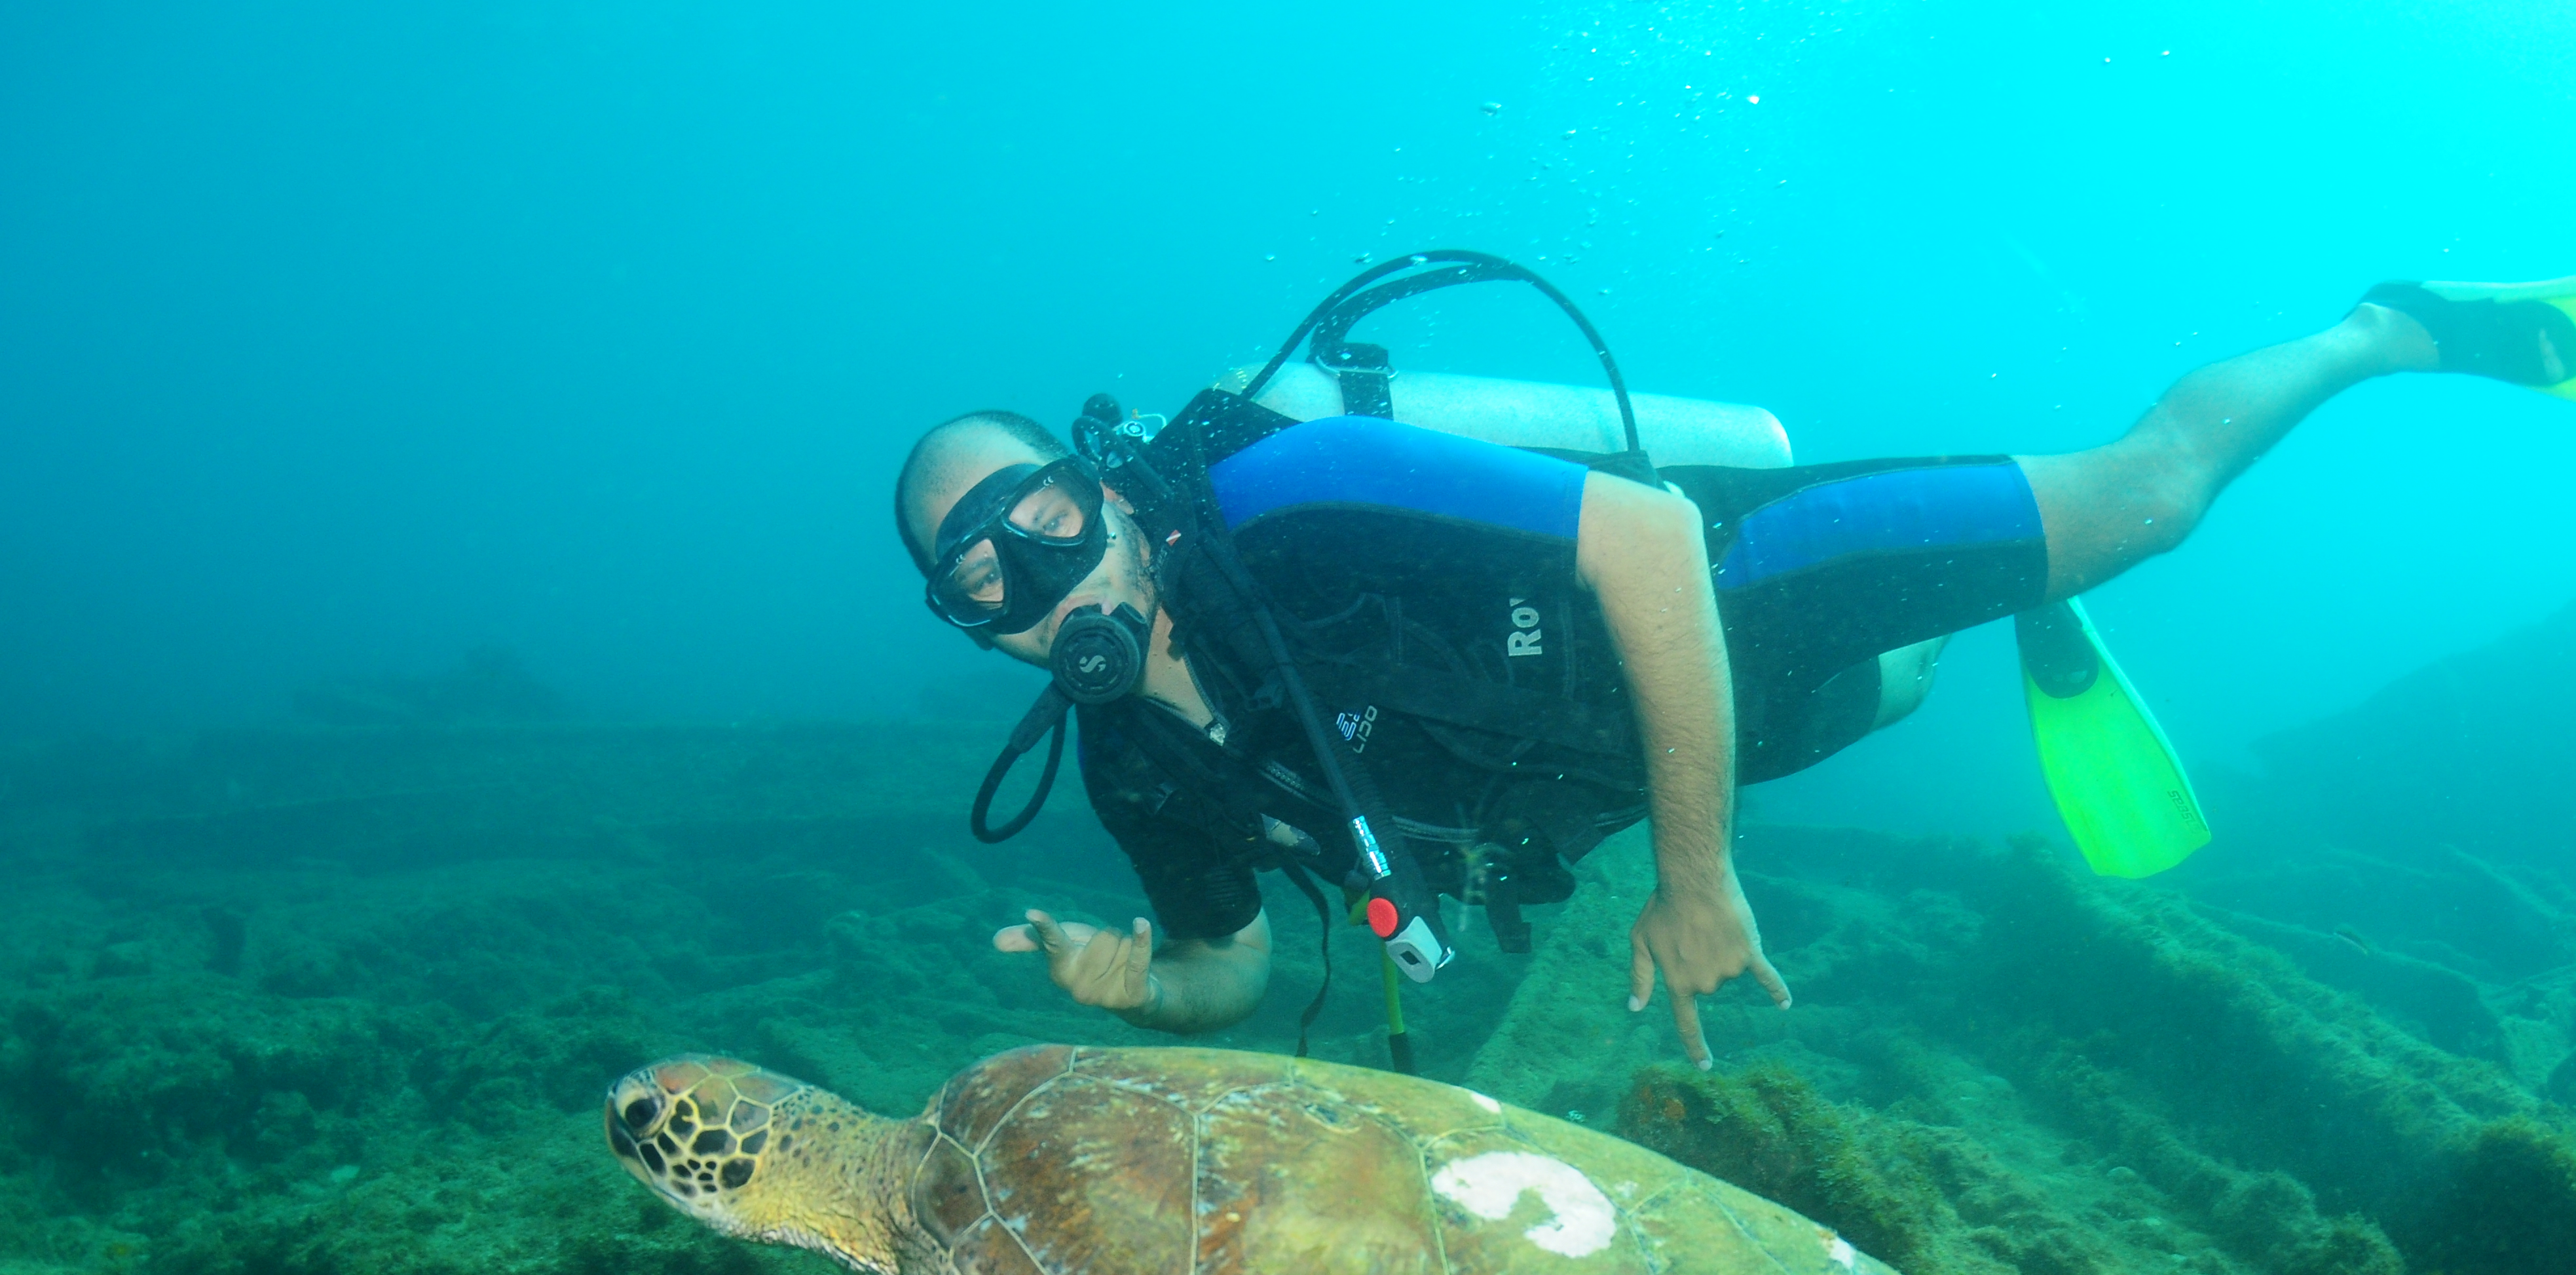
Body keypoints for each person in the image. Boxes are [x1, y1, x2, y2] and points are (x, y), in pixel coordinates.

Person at [891, 291, 2481, 1067]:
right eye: (973, 575)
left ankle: (2377, 331)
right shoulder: (1131, 766)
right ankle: (1997, 621)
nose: (1030, 581)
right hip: (1650, 761)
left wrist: (1694, 867)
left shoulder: (1283, 499)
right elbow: (1222, 963)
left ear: (1099, 485)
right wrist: (1142, 989)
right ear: (965, 621)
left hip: (1729, 595)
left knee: (2144, 504)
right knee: (1908, 691)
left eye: (1035, 520)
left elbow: (1644, 544)